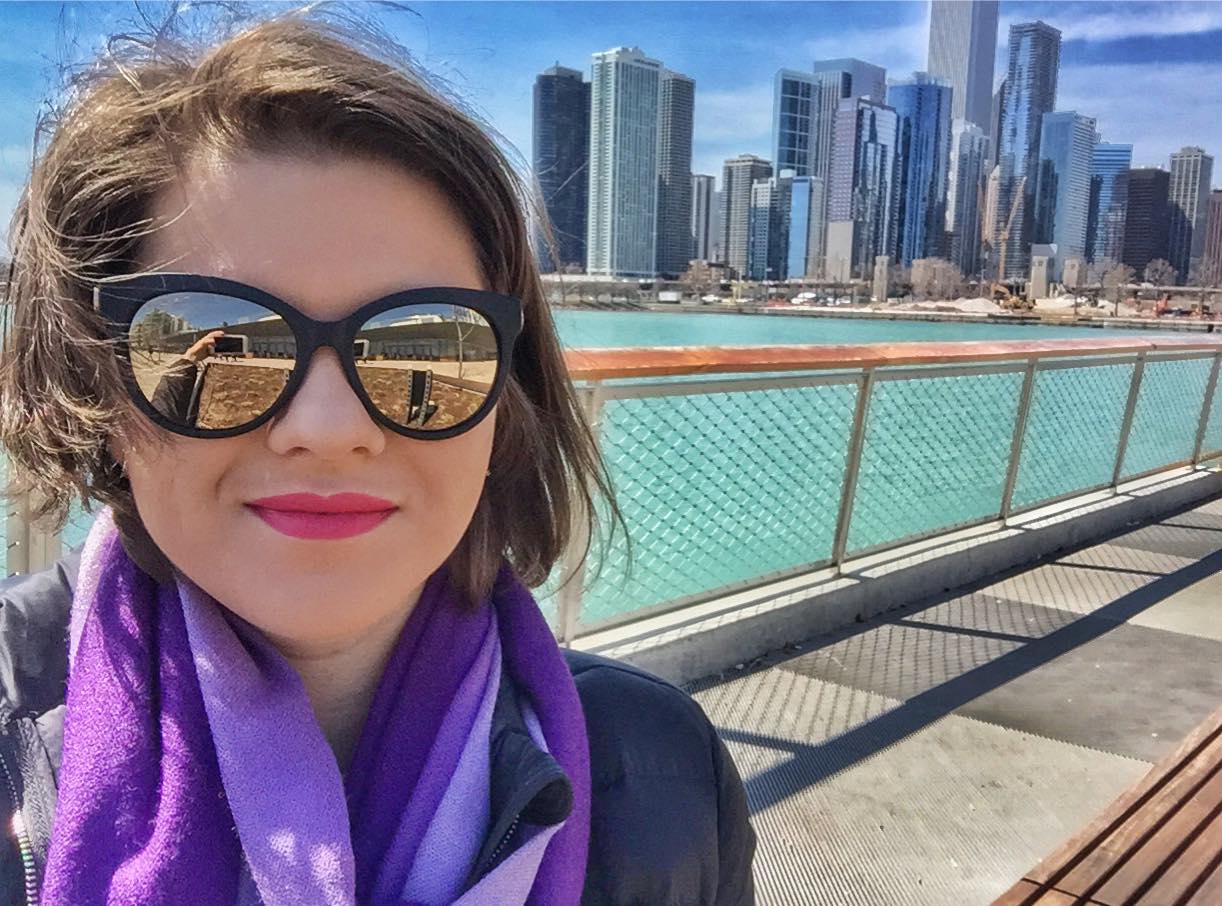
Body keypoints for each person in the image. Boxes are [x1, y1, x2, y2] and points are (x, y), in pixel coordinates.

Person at [0, 7, 756, 905]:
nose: (328, 426)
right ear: (96, 388)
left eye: (420, 349)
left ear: (505, 403)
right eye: (217, 346)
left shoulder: (668, 773)